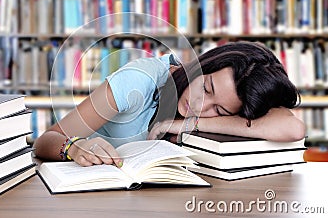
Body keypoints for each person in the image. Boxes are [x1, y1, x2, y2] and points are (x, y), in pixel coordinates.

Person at [33, 41, 306, 167]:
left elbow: (293, 127)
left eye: (220, 110)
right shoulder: (139, 80)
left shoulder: (209, 112)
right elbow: (47, 139)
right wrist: (73, 147)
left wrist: (191, 124)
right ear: (204, 66)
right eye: (206, 88)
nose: (201, 105)